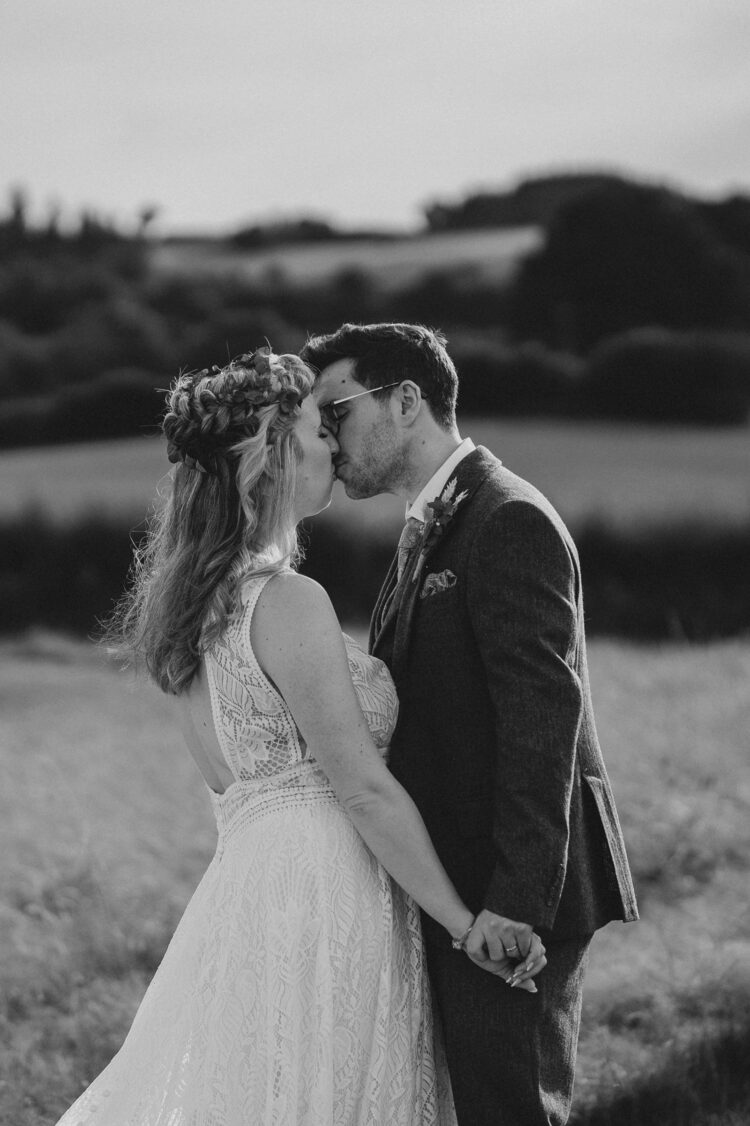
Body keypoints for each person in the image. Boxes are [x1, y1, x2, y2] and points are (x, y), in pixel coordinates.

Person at [55, 347, 547, 1126]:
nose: (334, 446)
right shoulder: (285, 600)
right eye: (322, 428)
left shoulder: (190, 605)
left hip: (249, 887)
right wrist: (461, 924)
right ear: (273, 457)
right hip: (325, 892)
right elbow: (361, 785)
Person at [303, 322, 639, 1126]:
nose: (327, 437)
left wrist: (515, 905)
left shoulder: (505, 518)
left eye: (338, 410)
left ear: (407, 401)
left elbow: (541, 724)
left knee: (511, 1111)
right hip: (460, 879)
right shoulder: (436, 520)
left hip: (509, 890)